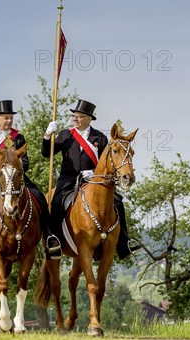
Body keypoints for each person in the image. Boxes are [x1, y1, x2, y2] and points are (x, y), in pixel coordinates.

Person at [0, 100, 61, 266]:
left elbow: (27, 162)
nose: (8, 121)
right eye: (5, 118)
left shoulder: (18, 137)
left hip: (15, 179)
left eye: (10, 118)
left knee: (40, 199)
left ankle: (50, 236)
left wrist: (14, 168)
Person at [42, 99, 141, 259]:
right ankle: (53, 240)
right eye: (74, 116)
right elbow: (47, 153)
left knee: (117, 201)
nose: (75, 119)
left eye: (79, 116)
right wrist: (47, 136)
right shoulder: (65, 134)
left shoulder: (100, 138)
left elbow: (108, 164)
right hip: (68, 179)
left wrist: (94, 172)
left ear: (89, 118)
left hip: (93, 180)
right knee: (56, 202)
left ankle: (124, 242)